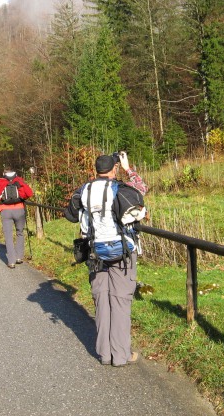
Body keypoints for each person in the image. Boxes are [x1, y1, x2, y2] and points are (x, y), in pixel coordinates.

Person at [65, 152, 147, 367]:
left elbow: (71, 215)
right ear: (114, 169)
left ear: (96, 170)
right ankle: (121, 355)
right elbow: (141, 190)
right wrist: (129, 169)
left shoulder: (84, 189)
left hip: (95, 251)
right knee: (120, 300)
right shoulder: (120, 188)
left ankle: (105, 353)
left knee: (101, 299)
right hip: (122, 251)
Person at [0, 169, 34, 268]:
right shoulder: (19, 180)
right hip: (19, 210)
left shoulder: (0, 182)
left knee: (8, 236)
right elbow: (29, 193)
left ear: (4, 174)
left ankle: (11, 261)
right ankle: (19, 257)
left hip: (5, 211)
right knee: (20, 232)